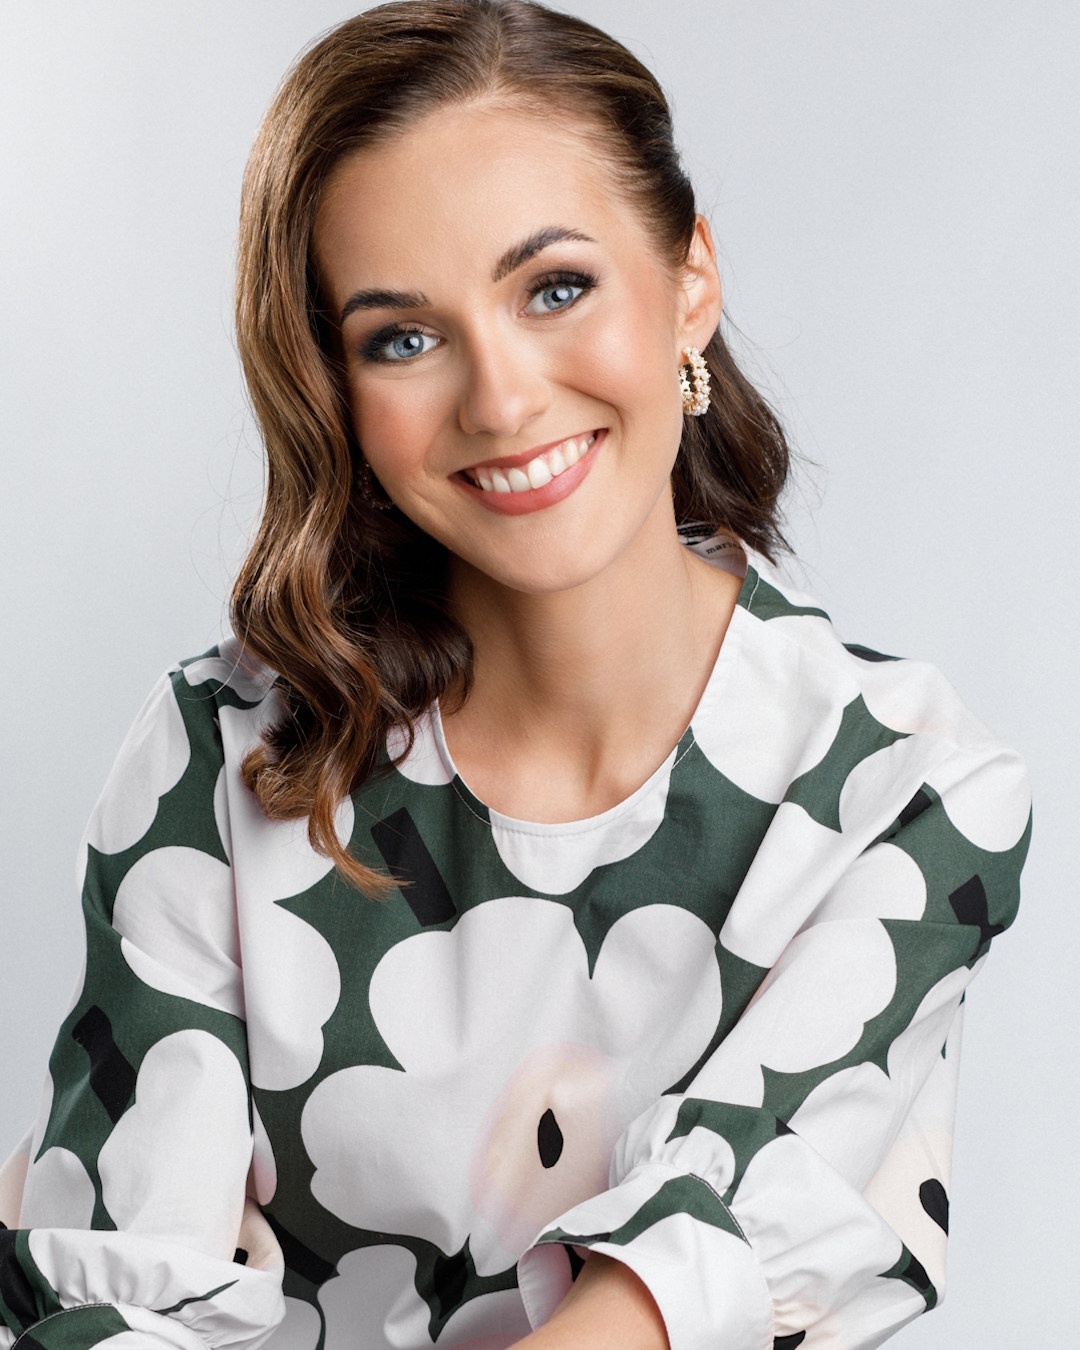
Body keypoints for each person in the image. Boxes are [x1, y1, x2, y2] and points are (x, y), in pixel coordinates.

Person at [0, 2, 1031, 1348]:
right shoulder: (224, 755)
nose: (499, 401)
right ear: (334, 389)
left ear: (691, 280)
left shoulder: (902, 790)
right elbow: (111, 1301)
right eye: (402, 337)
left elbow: (666, 1297)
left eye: (553, 288)